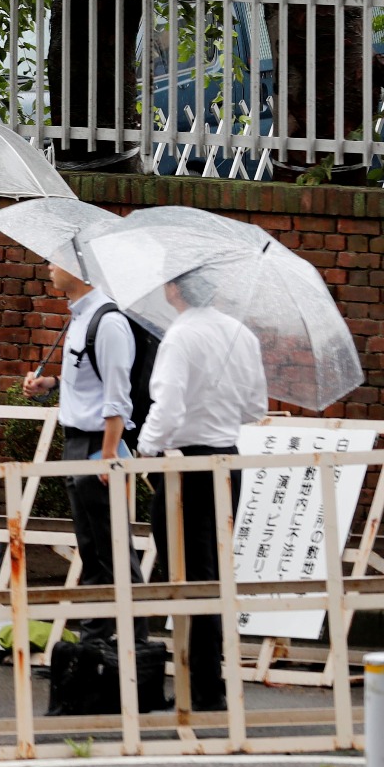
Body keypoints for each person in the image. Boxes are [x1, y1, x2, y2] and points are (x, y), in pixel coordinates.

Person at [136, 273, 267, 711]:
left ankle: (202, 684)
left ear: (175, 291)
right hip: (227, 461)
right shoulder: (241, 334)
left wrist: (146, 448)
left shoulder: (181, 336)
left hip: (184, 463)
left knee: (184, 573)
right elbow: (255, 408)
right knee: (211, 570)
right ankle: (208, 680)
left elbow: (168, 406)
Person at [22, 260, 148, 644]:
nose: (47, 267)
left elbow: (117, 396)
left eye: (55, 260)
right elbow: (89, 378)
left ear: (79, 270)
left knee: (112, 549)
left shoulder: (108, 322)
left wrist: (108, 454)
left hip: (98, 446)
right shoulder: (79, 318)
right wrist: (52, 383)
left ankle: (134, 641)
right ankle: (96, 640)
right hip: (78, 441)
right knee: (93, 548)